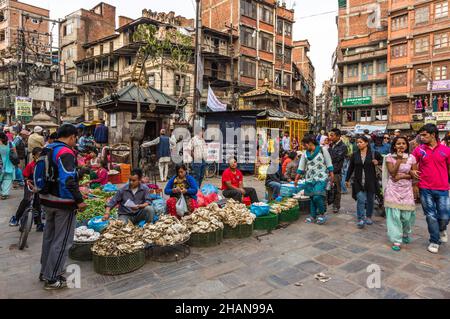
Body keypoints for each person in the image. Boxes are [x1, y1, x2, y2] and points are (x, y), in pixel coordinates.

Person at [39, 124, 86, 290]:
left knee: (49, 238)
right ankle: (52, 278)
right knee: (63, 240)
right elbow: (68, 180)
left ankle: (45, 271)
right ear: (72, 136)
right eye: (76, 138)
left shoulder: (48, 148)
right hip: (62, 203)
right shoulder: (65, 152)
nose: (76, 140)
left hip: (47, 199)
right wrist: (79, 200)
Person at [411, 124, 450, 254]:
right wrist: (413, 172)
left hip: (443, 188)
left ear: (433, 135)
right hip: (425, 188)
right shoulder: (419, 150)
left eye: (424, 135)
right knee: (431, 216)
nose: (422, 138)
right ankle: (434, 240)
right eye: (421, 135)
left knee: (445, 215)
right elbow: (411, 163)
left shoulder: (446, 150)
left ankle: (441, 229)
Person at [384, 136, 418, 252]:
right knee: (394, 216)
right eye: (398, 144)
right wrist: (398, 159)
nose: (401, 145)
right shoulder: (389, 157)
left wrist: (404, 176)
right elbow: (393, 173)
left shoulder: (412, 158)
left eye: (404, 143)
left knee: (407, 217)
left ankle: (405, 232)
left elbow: (415, 174)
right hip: (393, 189)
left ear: (407, 145)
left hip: (407, 190)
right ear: (394, 146)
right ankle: (396, 239)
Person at [295, 134, 334, 225]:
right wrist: (296, 178)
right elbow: (301, 166)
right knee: (312, 197)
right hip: (309, 178)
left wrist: (332, 175)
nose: (304, 147)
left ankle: (322, 213)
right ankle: (312, 216)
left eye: (305, 145)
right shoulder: (305, 153)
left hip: (321, 177)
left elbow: (329, 162)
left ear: (310, 143)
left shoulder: (322, 150)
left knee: (317, 196)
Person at [346, 135, 383, 229]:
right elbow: (351, 168)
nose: (358, 144)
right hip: (358, 181)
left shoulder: (374, 153)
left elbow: (382, 160)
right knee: (360, 200)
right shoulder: (355, 155)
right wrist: (347, 179)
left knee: (370, 200)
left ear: (366, 143)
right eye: (357, 142)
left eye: (361, 142)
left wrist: (377, 162)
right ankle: (361, 218)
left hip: (371, 181)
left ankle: (369, 216)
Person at [9, 147, 44, 231]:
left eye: (41, 155)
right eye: (38, 155)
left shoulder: (43, 166)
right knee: (26, 199)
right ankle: (16, 218)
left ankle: (39, 223)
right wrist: (28, 182)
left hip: (38, 187)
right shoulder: (30, 165)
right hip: (30, 185)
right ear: (34, 156)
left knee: (37, 204)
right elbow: (25, 177)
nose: (39, 157)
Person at [328, 128, 348, 214]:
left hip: (336, 171)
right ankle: (330, 203)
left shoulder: (343, 147)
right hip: (329, 170)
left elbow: (336, 158)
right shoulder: (331, 145)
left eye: (332, 135)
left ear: (338, 136)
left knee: (337, 189)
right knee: (329, 188)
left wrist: (329, 152)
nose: (330, 137)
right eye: (330, 135)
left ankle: (336, 206)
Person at [0, 132, 17, 200]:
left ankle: (3, 192)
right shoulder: (11, 143)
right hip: (10, 163)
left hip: (1, 164)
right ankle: (4, 193)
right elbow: (15, 154)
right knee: (8, 179)